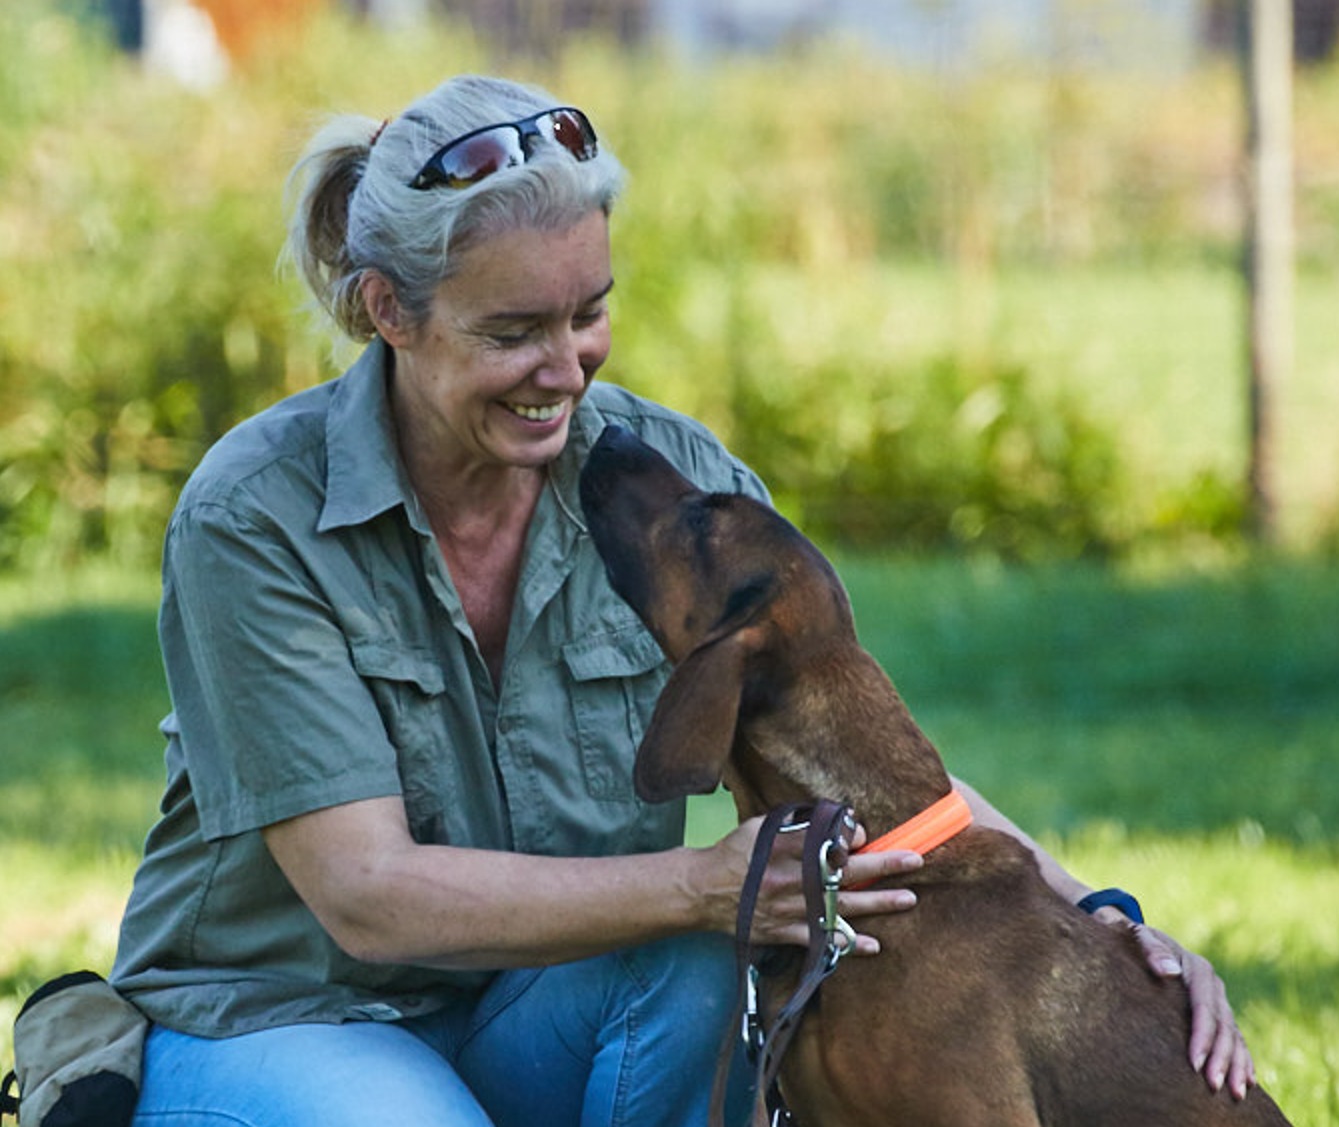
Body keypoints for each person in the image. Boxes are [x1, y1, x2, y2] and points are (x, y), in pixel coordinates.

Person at [109, 74, 1255, 1127]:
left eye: (587, 313)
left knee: (709, 957)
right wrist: (704, 883)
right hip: (285, 1018)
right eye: (513, 332)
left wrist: (1103, 921)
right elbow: (368, 894)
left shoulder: (655, 480)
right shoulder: (254, 515)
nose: (566, 370)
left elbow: (846, 742)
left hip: (538, 1006)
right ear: (388, 312)